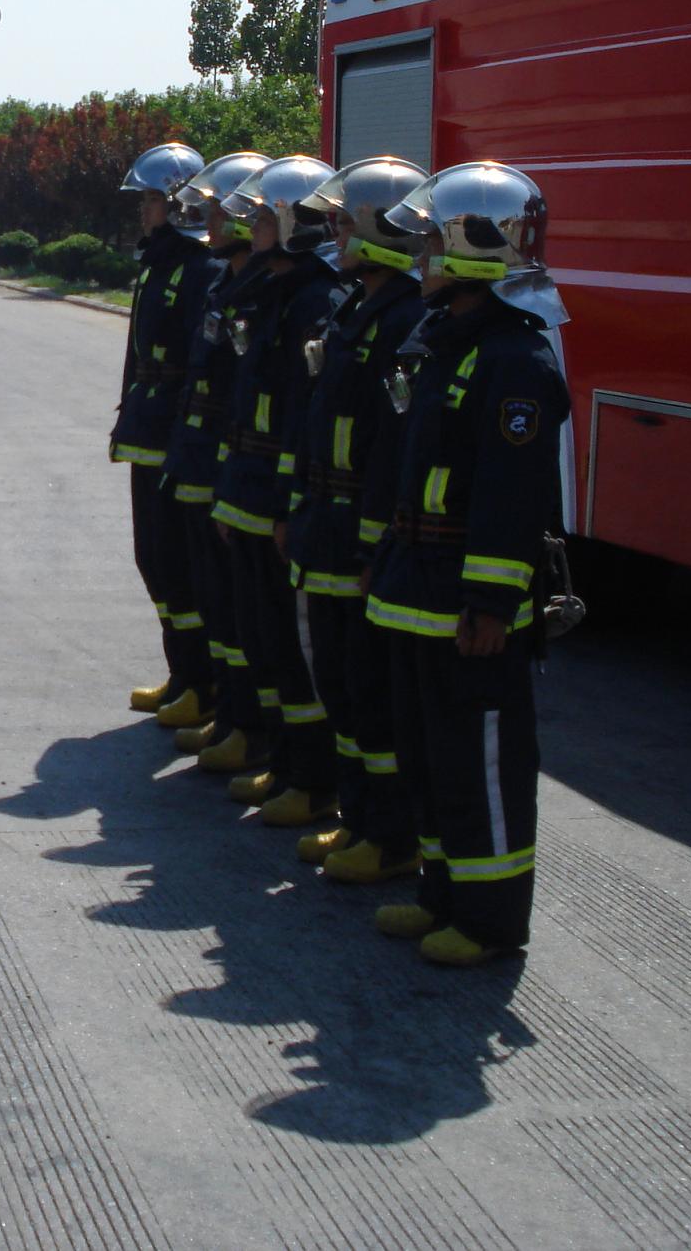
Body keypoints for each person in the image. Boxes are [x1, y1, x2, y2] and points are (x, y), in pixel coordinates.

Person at [362, 162, 569, 966]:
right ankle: (442, 896)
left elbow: (511, 498)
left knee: (481, 767)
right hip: (418, 590)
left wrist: (490, 602)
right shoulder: (447, 344)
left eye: (431, 244)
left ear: (472, 250)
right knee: (430, 758)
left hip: (466, 607)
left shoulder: (515, 361)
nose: (419, 258)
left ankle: (490, 921)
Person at [280, 156, 429, 878]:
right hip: (327, 526)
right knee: (338, 683)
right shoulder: (355, 308)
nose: (334, 233)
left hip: (358, 539)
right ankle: (355, 817)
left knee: (370, 694)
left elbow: (391, 451)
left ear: (381, 230)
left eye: (346, 222)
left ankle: (390, 837)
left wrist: (375, 550)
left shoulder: (404, 319)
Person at [201, 157, 341, 832]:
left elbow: (298, 417)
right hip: (250, 489)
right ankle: (284, 763)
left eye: (261, 216)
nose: (249, 226)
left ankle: (311, 780)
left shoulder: (315, 302)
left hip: (275, 498)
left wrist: (287, 505)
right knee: (263, 637)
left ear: (292, 225)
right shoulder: (273, 292)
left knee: (289, 644)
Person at [158, 152, 270, 756]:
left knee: (241, 607)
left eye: (223, 212)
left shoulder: (264, 296)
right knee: (215, 596)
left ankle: (250, 728)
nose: (212, 222)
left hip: (236, 470)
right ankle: (228, 713)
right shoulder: (226, 284)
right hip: (207, 460)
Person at [114, 143, 219, 728]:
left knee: (179, 563)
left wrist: (187, 437)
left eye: (151, 199)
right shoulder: (155, 262)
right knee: (152, 557)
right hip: (146, 430)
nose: (143, 209)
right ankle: (182, 674)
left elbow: (200, 366)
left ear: (179, 204)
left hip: (175, 437)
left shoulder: (200, 269)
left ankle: (203, 683)